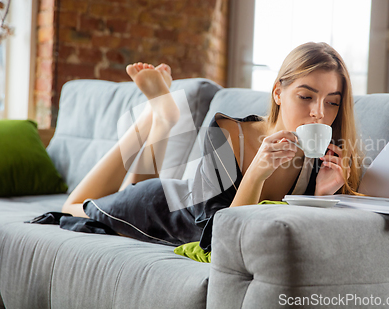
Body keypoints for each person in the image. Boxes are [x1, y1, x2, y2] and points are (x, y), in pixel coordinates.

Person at [61, 42, 363, 250]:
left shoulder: (325, 160)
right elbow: (221, 238)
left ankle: (164, 117)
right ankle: (155, 116)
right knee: (73, 208)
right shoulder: (229, 132)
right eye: (306, 96)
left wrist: (322, 198)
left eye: (332, 102)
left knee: (135, 183)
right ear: (278, 93)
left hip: (179, 198)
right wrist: (256, 172)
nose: (319, 113)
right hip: (164, 209)